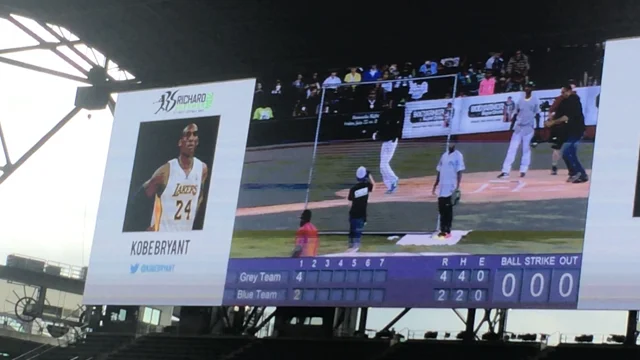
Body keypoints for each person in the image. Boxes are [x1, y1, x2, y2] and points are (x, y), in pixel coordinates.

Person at [137, 123, 208, 232]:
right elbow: (140, 197)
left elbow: (200, 197)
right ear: (180, 142)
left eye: (194, 134)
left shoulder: (202, 169)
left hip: (183, 237)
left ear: (197, 141)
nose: (191, 138)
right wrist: (148, 227)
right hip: (162, 235)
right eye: (187, 135)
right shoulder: (165, 171)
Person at [545, 83, 588, 183]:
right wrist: (552, 119)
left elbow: (566, 117)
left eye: (563, 92)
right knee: (567, 153)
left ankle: (580, 173)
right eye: (561, 92)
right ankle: (576, 173)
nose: (562, 94)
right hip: (571, 131)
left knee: (568, 152)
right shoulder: (566, 101)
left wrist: (552, 122)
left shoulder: (573, 100)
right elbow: (560, 113)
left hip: (577, 130)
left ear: (569, 91)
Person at [497, 82, 539, 178]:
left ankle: (523, 170)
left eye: (529, 87)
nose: (527, 88)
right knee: (512, 149)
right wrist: (511, 127)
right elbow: (516, 114)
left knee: (526, 149)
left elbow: (537, 115)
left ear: (532, 89)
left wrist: (537, 129)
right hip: (518, 127)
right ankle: (505, 171)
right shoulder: (520, 100)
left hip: (529, 127)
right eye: (526, 87)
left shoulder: (535, 101)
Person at [432, 142, 465, 239]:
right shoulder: (444, 156)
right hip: (442, 186)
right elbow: (439, 170)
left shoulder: (458, 155)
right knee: (441, 209)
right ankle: (442, 230)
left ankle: (447, 230)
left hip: (451, 186)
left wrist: (457, 187)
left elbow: (459, 172)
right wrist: (436, 183)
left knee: (448, 210)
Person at [372, 99, 404, 194]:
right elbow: (381, 127)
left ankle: (394, 179)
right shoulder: (385, 115)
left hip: (391, 142)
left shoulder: (394, 115)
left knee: (383, 164)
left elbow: (393, 130)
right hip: (386, 141)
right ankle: (390, 186)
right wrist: (377, 135)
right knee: (382, 166)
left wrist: (378, 136)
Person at [547, 80, 576, 175]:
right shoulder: (559, 99)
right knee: (557, 148)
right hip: (559, 127)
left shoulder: (575, 99)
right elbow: (550, 111)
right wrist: (551, 119)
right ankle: (554, 166)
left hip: (570, 127)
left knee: (570, 148)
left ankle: (572, 168)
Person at [347, 166, 376, 252]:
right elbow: (374, 186)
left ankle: (349, 250)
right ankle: (354, 251)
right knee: (357, 236)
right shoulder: (367, 186)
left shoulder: (353, 189)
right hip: (361, 215)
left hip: (352, 215)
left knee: (352, 234)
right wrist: (370, 175)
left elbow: (349, 204)